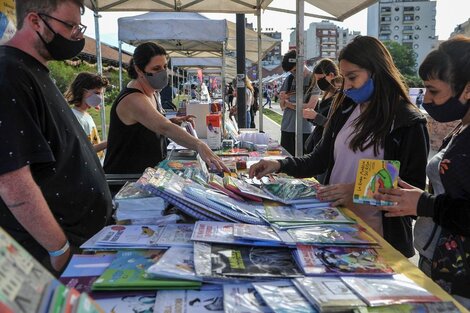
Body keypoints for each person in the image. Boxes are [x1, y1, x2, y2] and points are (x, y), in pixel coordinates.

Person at [250, 36, 429, 258]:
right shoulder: (346, 108)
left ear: (377, 71)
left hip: (379, 240)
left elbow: (412, 194)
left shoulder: (407, 122)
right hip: (335, 227)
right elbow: (318, 160)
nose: (346, 87)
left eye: (352, 77)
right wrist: (278, 164)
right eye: (344, 78)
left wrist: (357, 192)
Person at [0, 0, 113, 274]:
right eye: (70, 25)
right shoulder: (9, 73)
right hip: (55, 255)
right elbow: (12, 180)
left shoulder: (32, 69)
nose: (77, 35)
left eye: (79, 26)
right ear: (35, 21)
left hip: (80, 245)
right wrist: (59, 250)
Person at [374, 36, 470, 308]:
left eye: (433, 91)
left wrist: (424, 203)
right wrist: (416, 199)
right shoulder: (461, 126)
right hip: (440, 266)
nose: (425, 98)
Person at [103, 42, 228, 176]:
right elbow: (164, 127)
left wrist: (173, 121)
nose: (163, 72)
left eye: (164, 66)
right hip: (124, 180)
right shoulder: (133, 99)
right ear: (139, 70)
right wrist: (199, 145)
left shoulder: (153, 93)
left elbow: (148, 125)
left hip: (145, 176)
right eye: (156, 68)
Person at [279, 49, 319, 156]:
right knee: (286, 163)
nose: (294, 73)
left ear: (303, 63)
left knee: (303, 164)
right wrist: (283, 99)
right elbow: (282, 106)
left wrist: (289, 104)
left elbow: (310, 106)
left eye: (295, 70)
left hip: (305, 129)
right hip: (287, 127)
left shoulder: (313, 79)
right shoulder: (289, 79)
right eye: (291, 71)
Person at [65, 72, 108, 160]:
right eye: (97, 93)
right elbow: (83, 150)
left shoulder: (87, 116)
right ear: (82, 91)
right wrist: (109, 143)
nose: (100, 97)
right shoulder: (75, 117)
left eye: (101, 94)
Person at [303, 59, 340, 156]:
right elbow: (321, 119)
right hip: (318, 145)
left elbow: (336, 127)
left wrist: (316, 116)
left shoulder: (340, 97)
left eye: (320, 79)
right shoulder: (327, 93)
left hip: (329, 149)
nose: (318, 82)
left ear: (331, 75)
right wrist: (311, 116)